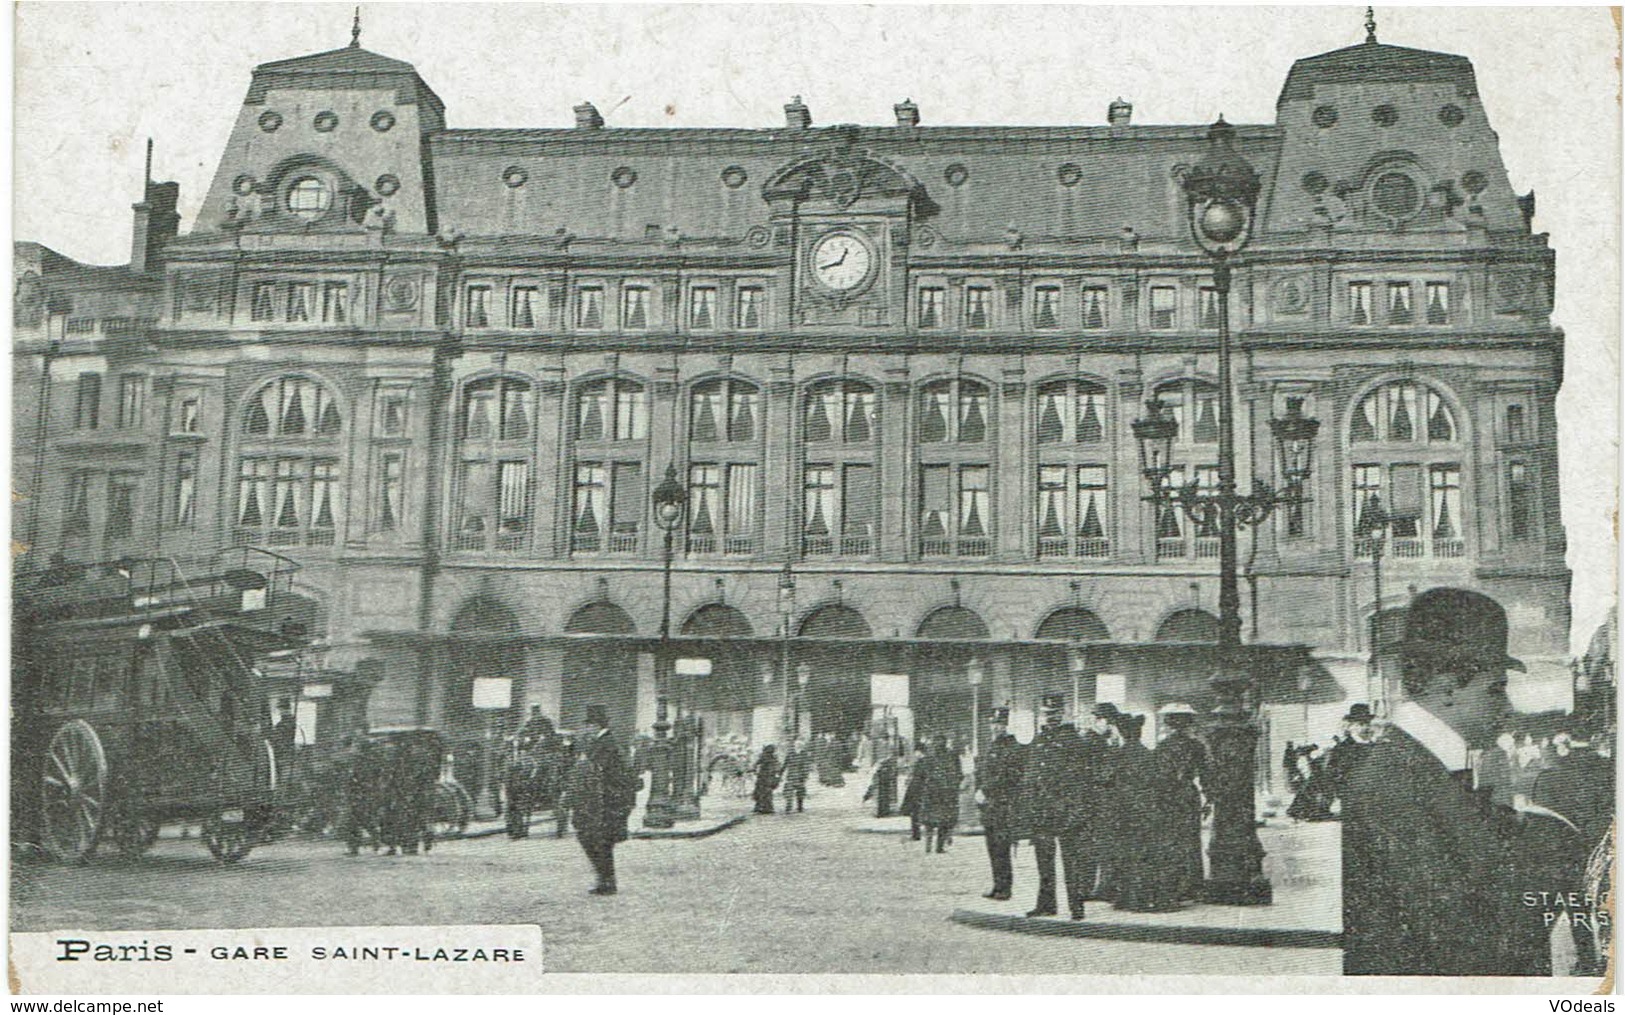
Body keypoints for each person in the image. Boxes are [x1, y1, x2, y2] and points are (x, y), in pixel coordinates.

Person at [1335, 587, 1558, 975]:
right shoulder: (1395, 781)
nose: (1507, 709)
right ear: (1448, 688)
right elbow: (1456, 937)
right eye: (1496, 689)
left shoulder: (1417, 767)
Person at [1018, 695, 1103, 920]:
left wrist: (1077, 809)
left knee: (1072, 861)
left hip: (1067, 811)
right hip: (1043, 810)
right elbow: (1031, 776)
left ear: (1063, 714)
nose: (1051, 718)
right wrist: (1030, 807)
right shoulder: (1040, 740)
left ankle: (1076, 906)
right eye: (1047, 714)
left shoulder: (1073, 740)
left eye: (1055, 714)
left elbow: (1082, 777)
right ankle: (1046, 904)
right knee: (1044, 861)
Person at [569, 705, 639, 896]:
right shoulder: (602, 743)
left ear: (595, 725)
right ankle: (605, 880)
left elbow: (601, 773)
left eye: (588, 726)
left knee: (598, 840)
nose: (586, 730)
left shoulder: (606, 744)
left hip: (605, 802)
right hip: (601, 801)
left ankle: (606, 881)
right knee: (597, 841)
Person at [1154, 703, 1209, 902]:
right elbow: (1205, 775)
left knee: (1170, 839)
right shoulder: (1196, 746)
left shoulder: (1163, 746)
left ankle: (1173, 883)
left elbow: (1157, 775)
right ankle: (1192, 885)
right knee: (1191, 839)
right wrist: (1208, 798)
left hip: (1168, 795)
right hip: (1188, 794)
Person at [976, 707, 1024, 900]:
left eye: (1000, 724)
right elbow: (983, 772)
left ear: (1007, 726)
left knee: (1002, 847)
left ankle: (1005, 888)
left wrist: (986, 789)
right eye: (994, 724)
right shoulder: (992, 747)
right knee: (993, 847)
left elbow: (1009, 777)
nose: (996, 728)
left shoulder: (1012, 748)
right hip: (990, 806)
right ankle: (997, 885)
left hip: (1004, 805)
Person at [919, 733, 962, 853]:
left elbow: (922, 775)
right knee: (941, 821)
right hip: (940, 793)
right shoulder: (948, 756)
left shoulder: (932, 756)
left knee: (936, 821)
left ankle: (932, 846)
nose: (938, 744)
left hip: (937, 793)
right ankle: (936, 846)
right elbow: (959, 774)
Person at [900, 742, 929, 841]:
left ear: (919, 752)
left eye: (916, 752)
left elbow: (920, 776)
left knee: (915, 813)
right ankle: (916, 833)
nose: (915, 754)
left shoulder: (922, 762)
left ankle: (916, 834)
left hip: (918, 790)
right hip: (917, 789)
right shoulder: (922, 762)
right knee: (915, 813)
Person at [780, 738, 812, 814]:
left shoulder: (804, 754)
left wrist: (805, 775)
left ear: (802, 746)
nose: (796, 746)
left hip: (801, 775)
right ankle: (788, 807)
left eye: (798, 745)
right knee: (789, 791)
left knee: (800, 791)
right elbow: (785, 763)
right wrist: (780, 772)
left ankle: (800, 807)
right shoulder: (790, 753)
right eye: (795, 745)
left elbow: (806, 765)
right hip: (791, 775)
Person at [270, 699, 298, 785]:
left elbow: (279, 740)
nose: (280, 712)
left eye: (281, 710)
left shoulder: (283, 725)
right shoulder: (290, 723)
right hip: (285, 753)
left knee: (282, 776)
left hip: (283, 754)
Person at [752, 744, 781, 815]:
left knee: (761, 791)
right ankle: (766, 807)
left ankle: (761, 807)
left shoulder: (765, 756)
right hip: (767, 777)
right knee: (766, 792)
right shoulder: (772, 757)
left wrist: (755, 770)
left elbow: (755, 764)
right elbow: (777, 767)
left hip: (764, 776)